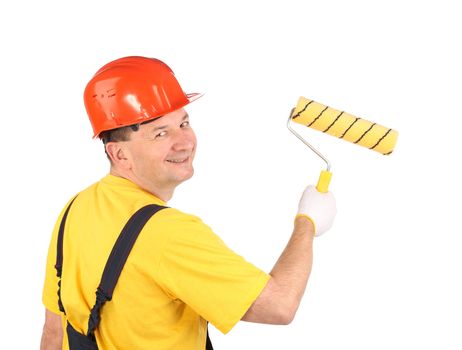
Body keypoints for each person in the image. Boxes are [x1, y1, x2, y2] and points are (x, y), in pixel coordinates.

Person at [40, 56, 337, 350]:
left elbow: (54, 330)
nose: (184, 142)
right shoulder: (170, 234)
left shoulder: (75, 209)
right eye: (160, 133)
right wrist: (307, 222)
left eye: (183, 122)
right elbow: (280, 304)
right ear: (119, 155)